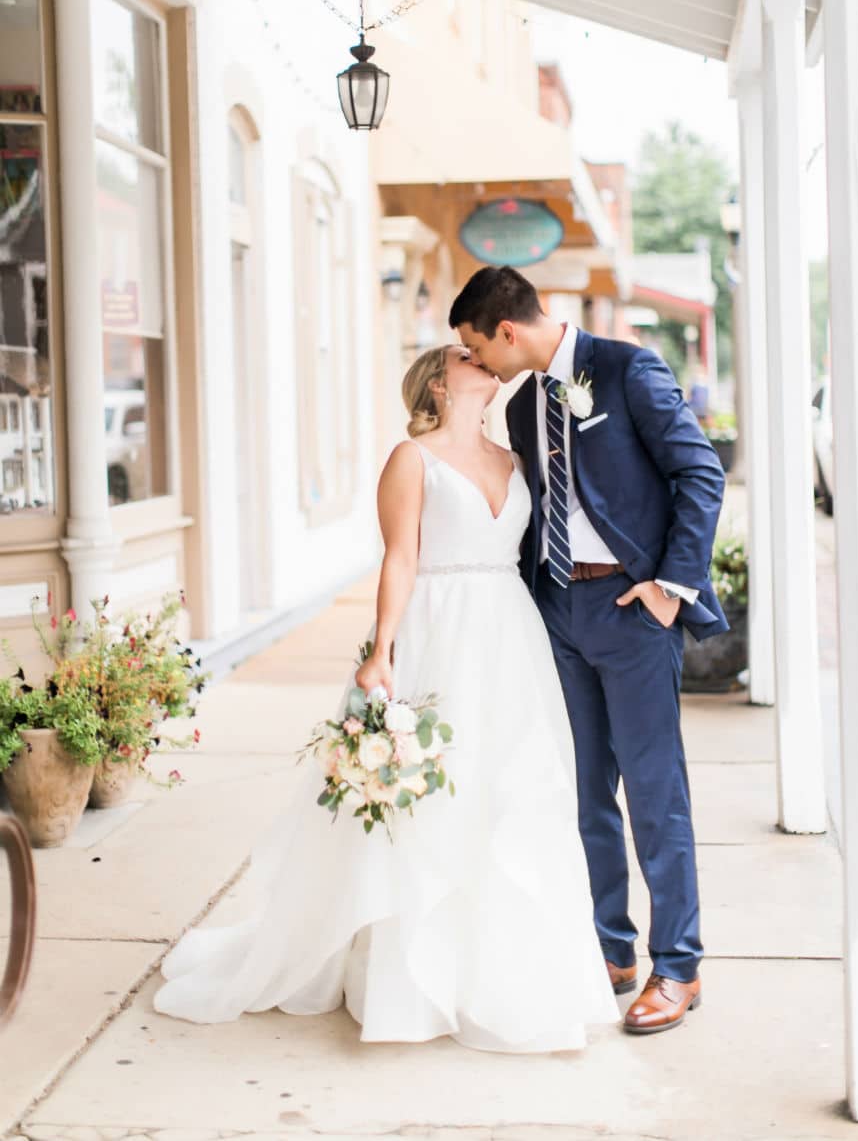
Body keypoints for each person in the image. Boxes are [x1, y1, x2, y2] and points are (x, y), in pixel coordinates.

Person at [154, 344, 618, 1051]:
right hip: (436, 630)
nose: (484, 360)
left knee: (512, 795)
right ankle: (409, 978)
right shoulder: (411, 459)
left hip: (507, 638)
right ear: (439, 381)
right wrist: (382, 650)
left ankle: (499, 972)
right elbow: (399, 557)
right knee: (427, 803)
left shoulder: (517, 458)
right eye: (467, 355)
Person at [449, 266, 727, 1035]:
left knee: (653, 792)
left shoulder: (627, 367)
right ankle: (611, 949)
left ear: (507, 331)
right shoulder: (526, 401)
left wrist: (672, 587)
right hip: (558, 611)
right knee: (581, 791)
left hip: (633, 609)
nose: (478, 363)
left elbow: (699, 472)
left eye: (477, 347)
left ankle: (679, 966)